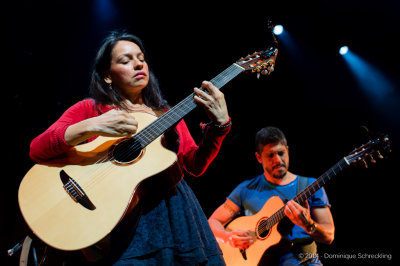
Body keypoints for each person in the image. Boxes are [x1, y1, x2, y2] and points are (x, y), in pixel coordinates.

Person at [29, 30, 232, 265]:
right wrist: (91, 125)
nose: (138, 64)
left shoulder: (166, 113)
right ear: (107, 75)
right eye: (126, 61)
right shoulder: (91, 109)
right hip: (128, 225)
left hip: (177, 217)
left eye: (141, 58)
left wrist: (220, 126)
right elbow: (37, 148)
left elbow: (195, 165)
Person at [208, 126, 335, 265]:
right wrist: (227, 237)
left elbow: (329, 236)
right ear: (258, 157)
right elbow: (213, 222)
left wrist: (308, 224)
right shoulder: (245, 189)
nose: (277, 160)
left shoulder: (309, 186)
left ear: (288, 150)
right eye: (270, 155)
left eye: (281, 153)